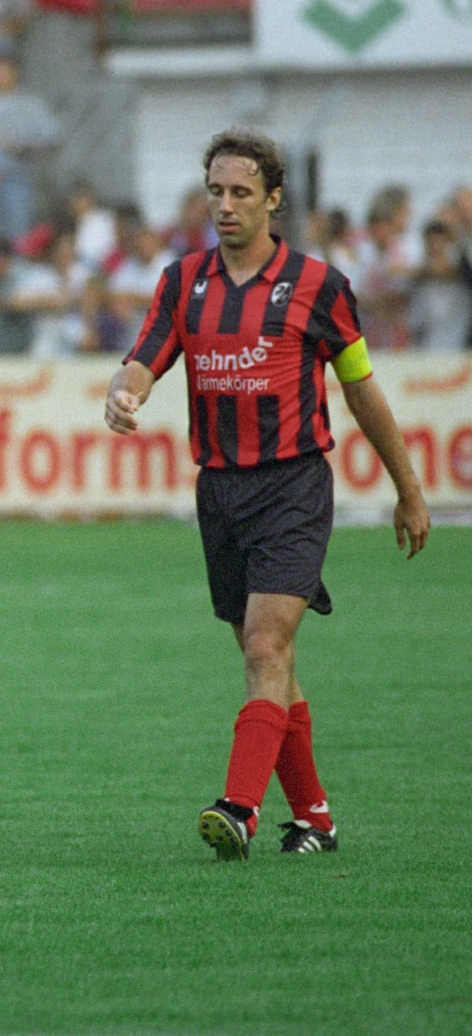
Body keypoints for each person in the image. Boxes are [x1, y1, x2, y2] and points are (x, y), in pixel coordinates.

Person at [105, 129, 430, 861]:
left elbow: (362, 390)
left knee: (266, 643)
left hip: (293, 485)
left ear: (273, 199)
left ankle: (240, 807)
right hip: (218, 491)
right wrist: (122, 395)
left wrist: (408, 489)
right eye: (216, 192)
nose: (225, 205)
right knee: (269, 663)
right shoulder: (182, 281)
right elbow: (144, 357)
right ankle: (314, 816)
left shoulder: (319, 286)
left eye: (241, 192)